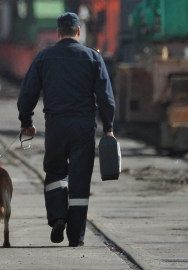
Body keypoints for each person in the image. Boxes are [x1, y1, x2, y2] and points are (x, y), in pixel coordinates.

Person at [17, 12, 115, 247]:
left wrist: (26, 122)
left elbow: (27, 93)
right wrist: (108, 127)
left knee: (55, 172)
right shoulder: (92, 57)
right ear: (79, 32)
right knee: (80, 181)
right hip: (83, 126)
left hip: (56, 125)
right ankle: (76, 236)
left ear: (58, 33)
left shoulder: (44, 58)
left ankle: (58, 217)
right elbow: (105, 97)